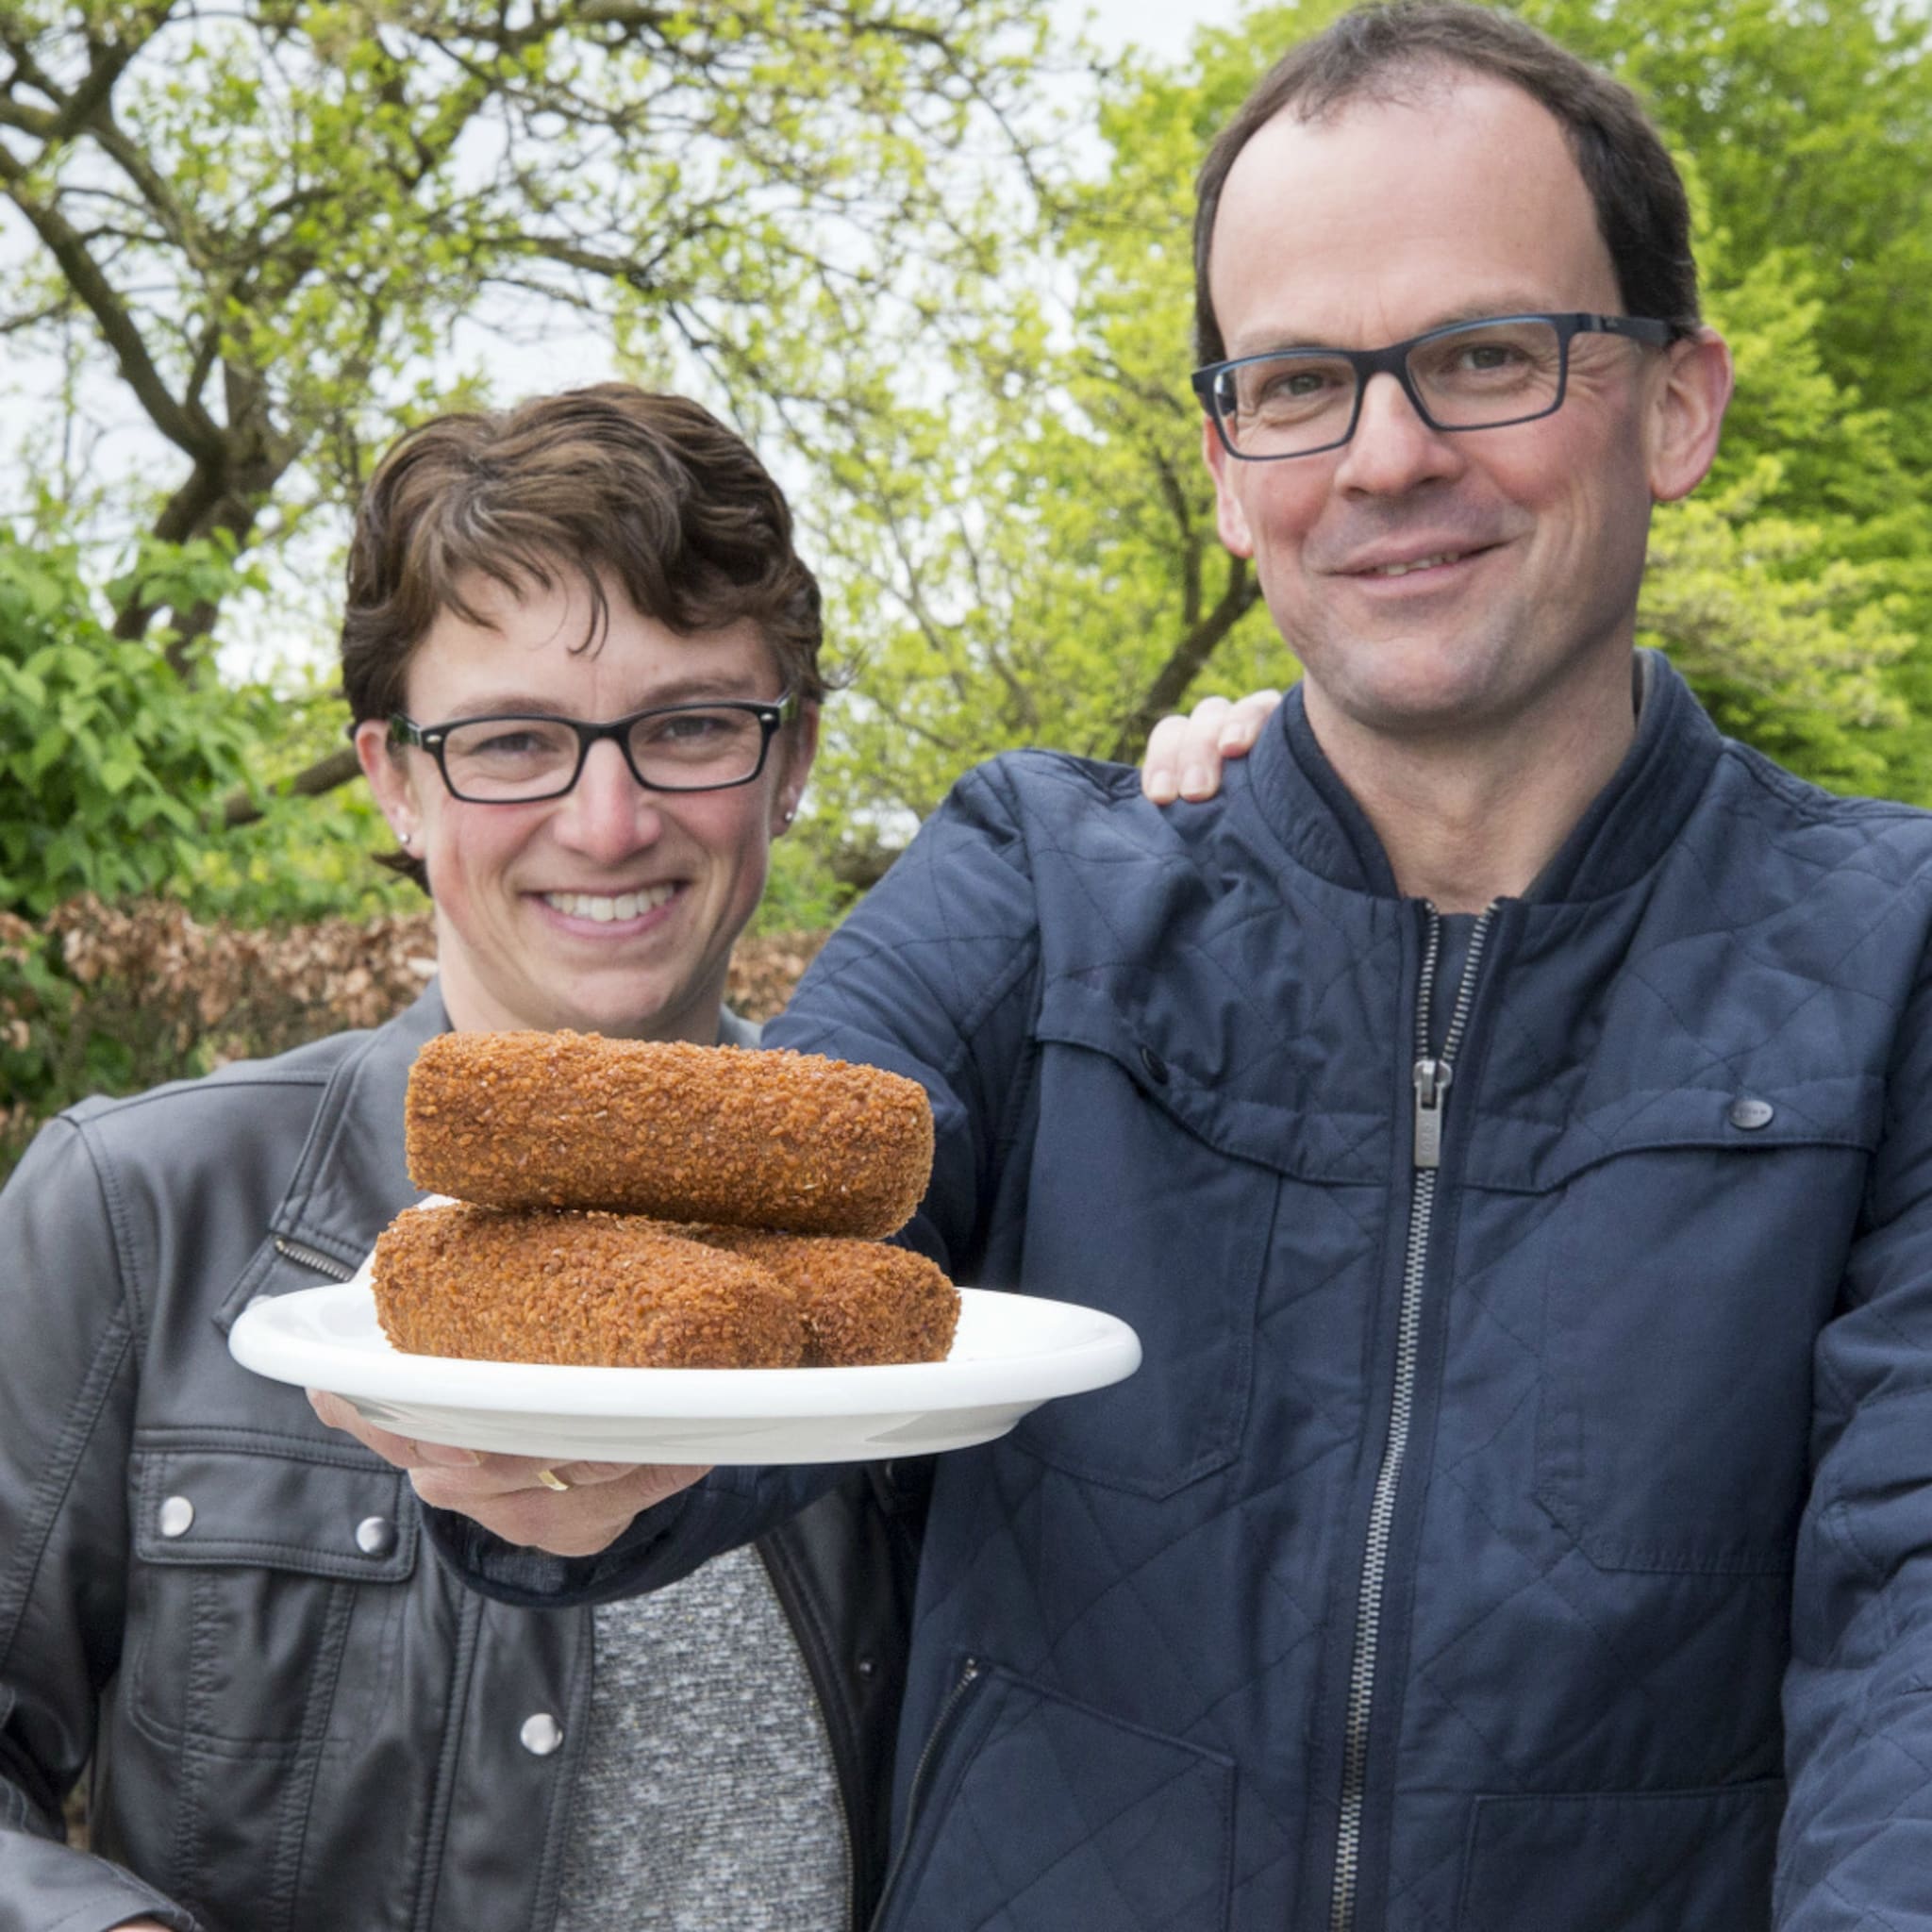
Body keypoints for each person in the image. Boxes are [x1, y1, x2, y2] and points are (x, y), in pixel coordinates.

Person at [342, 5, 1932, 1928]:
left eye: (1487, 357)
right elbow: (773, 1237)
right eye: (1295, 383)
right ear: (1225, 460)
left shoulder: (1889, 955)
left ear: (1676, 401)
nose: (1386, 455)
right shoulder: (1036, 877)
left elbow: (1908, 1636)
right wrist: (590, 1471)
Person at [0, 384, 933, 1932]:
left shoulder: (919, 1243)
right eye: (514, 741)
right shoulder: (142, 1212)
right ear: (395, 778)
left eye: (691, 725)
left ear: (794, 758)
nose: (610, 819)